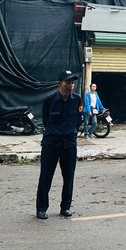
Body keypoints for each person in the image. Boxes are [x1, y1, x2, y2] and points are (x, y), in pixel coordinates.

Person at [36, 70, 83, 220]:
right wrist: (56, 132)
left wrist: (70, 132)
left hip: (69, 143)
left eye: (72, 82)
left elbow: (78, 120)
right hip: (51, 143)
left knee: (68, 177)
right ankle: (41, 208)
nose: (71, 85)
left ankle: (65, 207)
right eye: (68, 82)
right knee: (45, 177)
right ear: (59, 84)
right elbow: (45, 120)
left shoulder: (77, 100)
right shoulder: (49, 100)